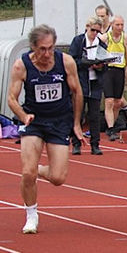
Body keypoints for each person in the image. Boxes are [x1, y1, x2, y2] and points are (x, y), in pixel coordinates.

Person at [8, 24, 84, 234]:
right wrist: (23, 116)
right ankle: (31, 214)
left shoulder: (65, 62)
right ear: (33, 47)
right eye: (42, 49)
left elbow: (77, 93)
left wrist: (76, 124)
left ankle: (37, 171)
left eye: (50, 48)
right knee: (27, 172)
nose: (47, 53)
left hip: (60, 121)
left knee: (59, 178)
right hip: (34, 122)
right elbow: (11, 98)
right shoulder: (21, 66)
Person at [67, 16, 107, 155]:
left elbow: (105, 65)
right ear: (87, 27)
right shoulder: (78, 41)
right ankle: (76, 143)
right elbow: (71, 60)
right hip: (80, 82)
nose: (95, 33)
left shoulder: (101, 44)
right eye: (93, 30)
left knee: (94, 115)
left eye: (98, 31)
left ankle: (95, 144)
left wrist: (100, 66)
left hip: (95, 83)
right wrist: (85, 63)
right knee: (77, 113)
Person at [103, 15, 127, 141]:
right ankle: (110, 128)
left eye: (122, 25)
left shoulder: (124, 38)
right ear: (112, 25)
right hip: (108, 70)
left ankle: (112, 126)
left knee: (117, 102)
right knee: (109, 101)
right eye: (117, 25)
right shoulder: (105, 37)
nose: (120, 27)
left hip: (120, 71)